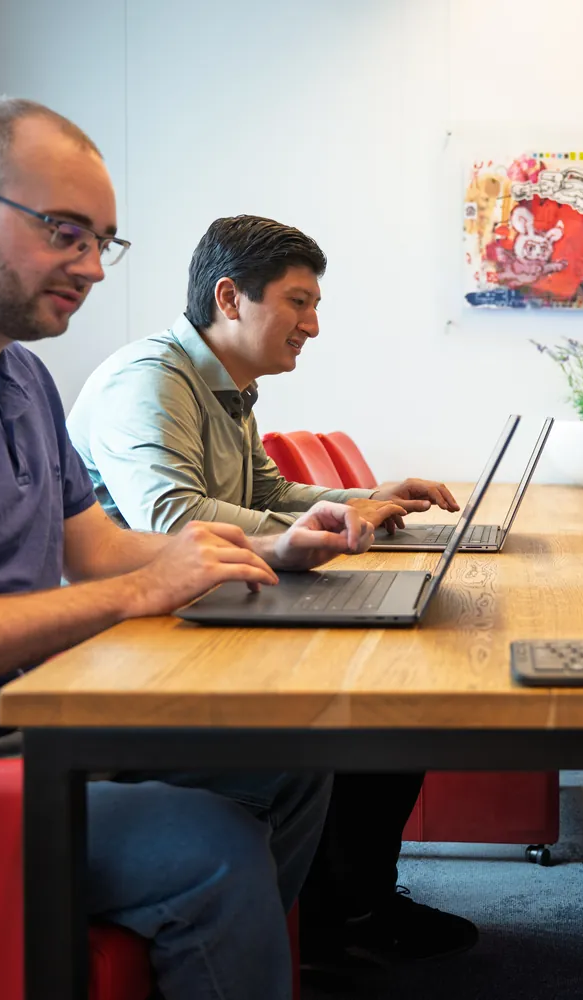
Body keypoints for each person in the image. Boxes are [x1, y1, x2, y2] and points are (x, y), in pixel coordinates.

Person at [0, 97, 389, 999]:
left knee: (290, 762)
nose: (91, 266)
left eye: (102, 240)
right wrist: (133, 596)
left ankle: (220, 958)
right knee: (211, 847)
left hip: (36, 726)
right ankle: (211, 920)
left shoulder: (20, 374)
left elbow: (96, 548)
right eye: (63, 232)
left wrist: (269, 553)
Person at [67, 215, 478, 973]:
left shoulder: (227, 388)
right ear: (230, 296)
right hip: (144, 648)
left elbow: (267, 488)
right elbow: (171, 516)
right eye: (298, 302)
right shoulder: (148, 380)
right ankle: (319, 926)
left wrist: (362, 497)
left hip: (209, 614)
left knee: (380, 698)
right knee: (337, 731)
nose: (313, 325)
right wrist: (293, 539)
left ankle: (312, 925)